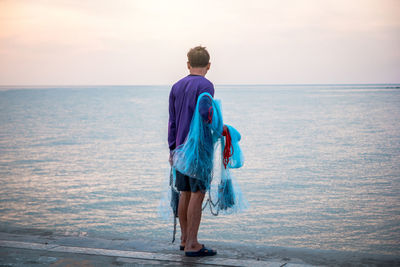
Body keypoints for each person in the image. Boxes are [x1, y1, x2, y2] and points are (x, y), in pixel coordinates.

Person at [168, 46, 217, 257]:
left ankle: (184, 239)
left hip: (179, 149)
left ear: (188, 64)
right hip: (197, 150)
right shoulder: (206, 85)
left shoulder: (176, 86)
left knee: (185, 194)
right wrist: (220, 127)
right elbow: (206, 114)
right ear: (209, 65)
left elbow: (172, 121)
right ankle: (193, 244)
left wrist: (172, 148)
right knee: (197, 194)